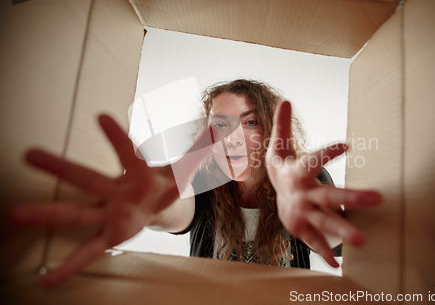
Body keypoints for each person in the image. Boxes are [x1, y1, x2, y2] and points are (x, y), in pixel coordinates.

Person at [12, 79, 382, 288]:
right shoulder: (202, 177)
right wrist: (155, 205)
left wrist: (318, 217)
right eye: (220, 124)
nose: (232, 138)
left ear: (271, 131)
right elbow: (178, 207)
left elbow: (336, 239)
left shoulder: (304, 179)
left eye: (251, 123)